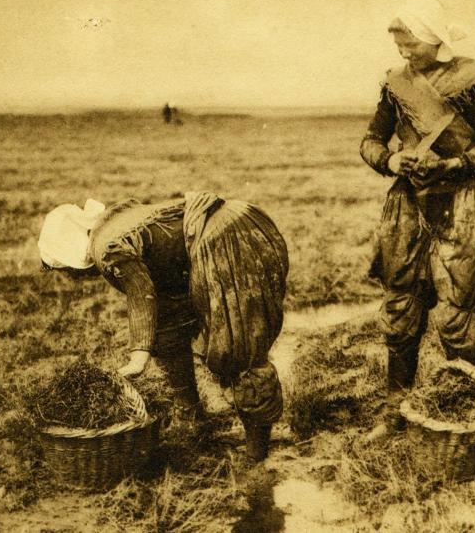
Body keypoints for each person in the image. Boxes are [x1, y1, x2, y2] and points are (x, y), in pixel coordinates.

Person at [360, 0, 475, 437]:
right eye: (399, 43)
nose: (403, 51)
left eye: (410, 43)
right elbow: (371, 140)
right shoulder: (395, 83)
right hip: (409, 203)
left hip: (465, 203)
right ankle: (397, 409)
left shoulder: (473, 79)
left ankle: (463, 407)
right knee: (402, 305)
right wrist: (392, 162)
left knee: (461, 311)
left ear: (432, 37)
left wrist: (451, 164)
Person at [37, 192, 289, 462]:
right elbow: (162, 290)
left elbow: (140, 293)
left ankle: (256, 456)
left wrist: (138, 356)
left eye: (65, 270)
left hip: (226, 241)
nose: (73, 276)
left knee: (239, 349)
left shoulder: (106, 248)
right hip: (242, 218)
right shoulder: (116, 220)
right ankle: (193, 418)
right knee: (168, 329)